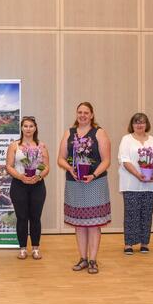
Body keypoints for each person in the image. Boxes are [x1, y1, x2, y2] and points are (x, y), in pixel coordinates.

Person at [57, 102, 111, 274]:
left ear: (92, 115)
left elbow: (106, 160)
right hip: (74, 183)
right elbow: (60, 159)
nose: (82, 115)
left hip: (95, 182)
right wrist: (70, 168)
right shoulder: (69, 133)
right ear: (76, 114)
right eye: (80, 112)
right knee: (79, 224)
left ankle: (93, 260)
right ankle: (83, 259)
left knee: (94, 224)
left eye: (86, 112)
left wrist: (93, 175)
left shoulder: (99, 133)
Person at [117, 113, 153, 255]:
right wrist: (138, 175)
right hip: (131, 183)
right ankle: (129, 244)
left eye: (142, 122)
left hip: (150, 184)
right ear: (132, 124)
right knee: (131, 213)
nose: (139, 125)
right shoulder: (126, 139)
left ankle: (144, 243)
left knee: (147, 213)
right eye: (136, 122)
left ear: (147, 124)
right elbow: (124, 160)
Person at [6, 116, 50, 260]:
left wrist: (38, 176)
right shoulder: (14, 145)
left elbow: (45, 166)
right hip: (19, 185)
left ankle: (36, 249)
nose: (28, 129)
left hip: (37, 185)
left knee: (35, 218)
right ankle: (23, 249)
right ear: (21, 128)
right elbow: (9, 166)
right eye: (25, 126)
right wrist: (21, 177)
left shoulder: (41, 146)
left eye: (31, 126)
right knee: (22, 218)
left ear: (35, 128)